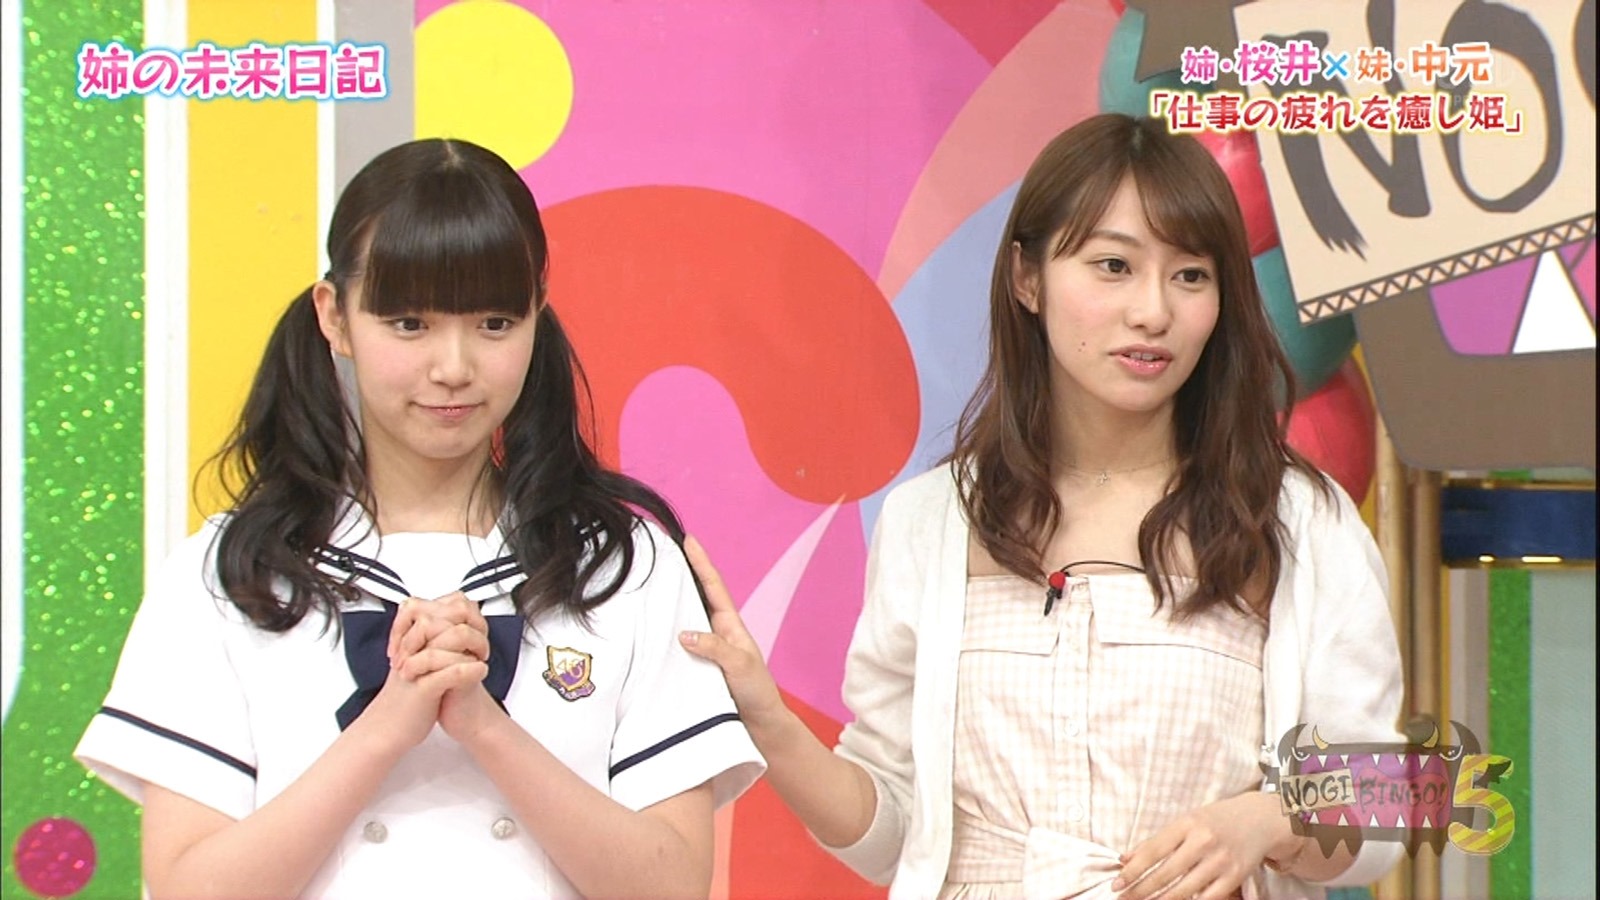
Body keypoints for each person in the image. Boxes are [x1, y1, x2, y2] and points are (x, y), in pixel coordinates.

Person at [679, 113, 1404, 899]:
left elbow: (1387, 800)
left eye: (1191, 275)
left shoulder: (1297, 519)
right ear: (1028, 279)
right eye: (1113, 266)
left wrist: (1268, 819)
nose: (1153, 311)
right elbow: (895, 828)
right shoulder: (933, 520)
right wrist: (768, 720)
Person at [76, 138, 763, 899]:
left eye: (495, 323)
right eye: (409, 324)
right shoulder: (231, 574)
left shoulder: (620, 565)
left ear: (537, 314)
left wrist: (485, 728)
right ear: (335, 317)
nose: (454, 367)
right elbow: (187, 888)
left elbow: (673, 886)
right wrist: (386, 729)